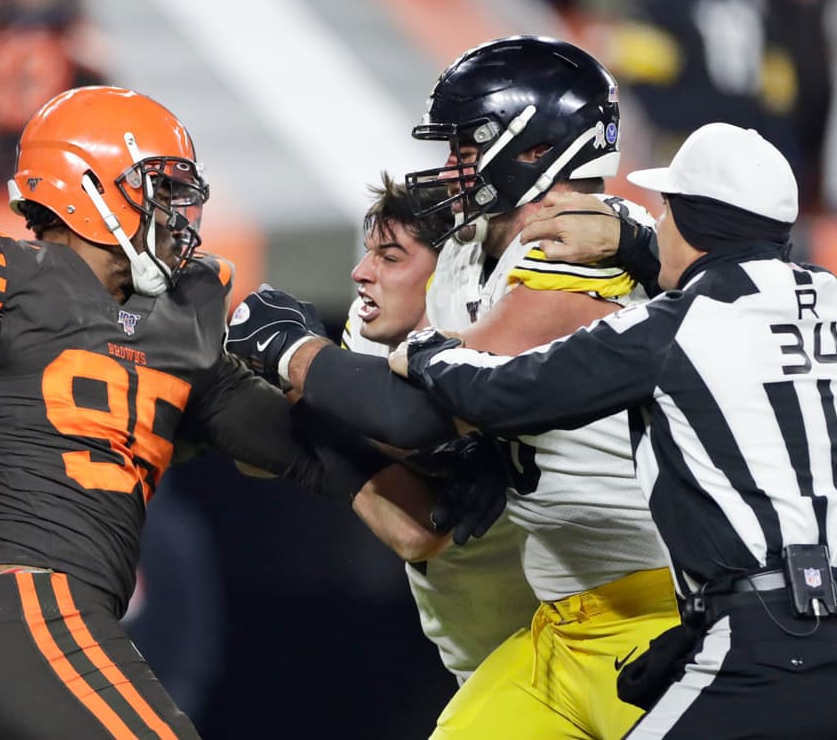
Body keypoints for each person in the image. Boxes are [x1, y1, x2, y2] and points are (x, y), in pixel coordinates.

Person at [0, 85, 386, 740]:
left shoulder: (181, 327)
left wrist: (382, 397)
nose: (179, 212)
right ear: (83, 182)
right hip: (29, 619)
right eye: (160, 187)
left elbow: (307, 451)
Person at [226, 36, 682, 738]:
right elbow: (354, 432)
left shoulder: (593, 237)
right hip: (563, 624)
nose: (450, 166)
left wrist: (291, 354)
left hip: (669, 606)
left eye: (467, 144)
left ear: (533, 149)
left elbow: (427, 411)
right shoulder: (465, 257)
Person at [390, 122, 837, 738]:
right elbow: (733, 270)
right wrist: (629, 239)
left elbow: (498, 394)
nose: (657, 224)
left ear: (691, 221)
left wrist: (425, 351)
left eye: (666, 212)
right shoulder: (836, 301)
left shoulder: (674, 329)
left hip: (770, 634)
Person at [340, 172, 538, 682]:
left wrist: (303, 384)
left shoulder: (514, 335)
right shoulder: (366, 343)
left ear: (452, 269)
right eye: (370, 253)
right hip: (484, 658)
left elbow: (416, 532)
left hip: (592, 639)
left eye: (390, 257)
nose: (362, 273)